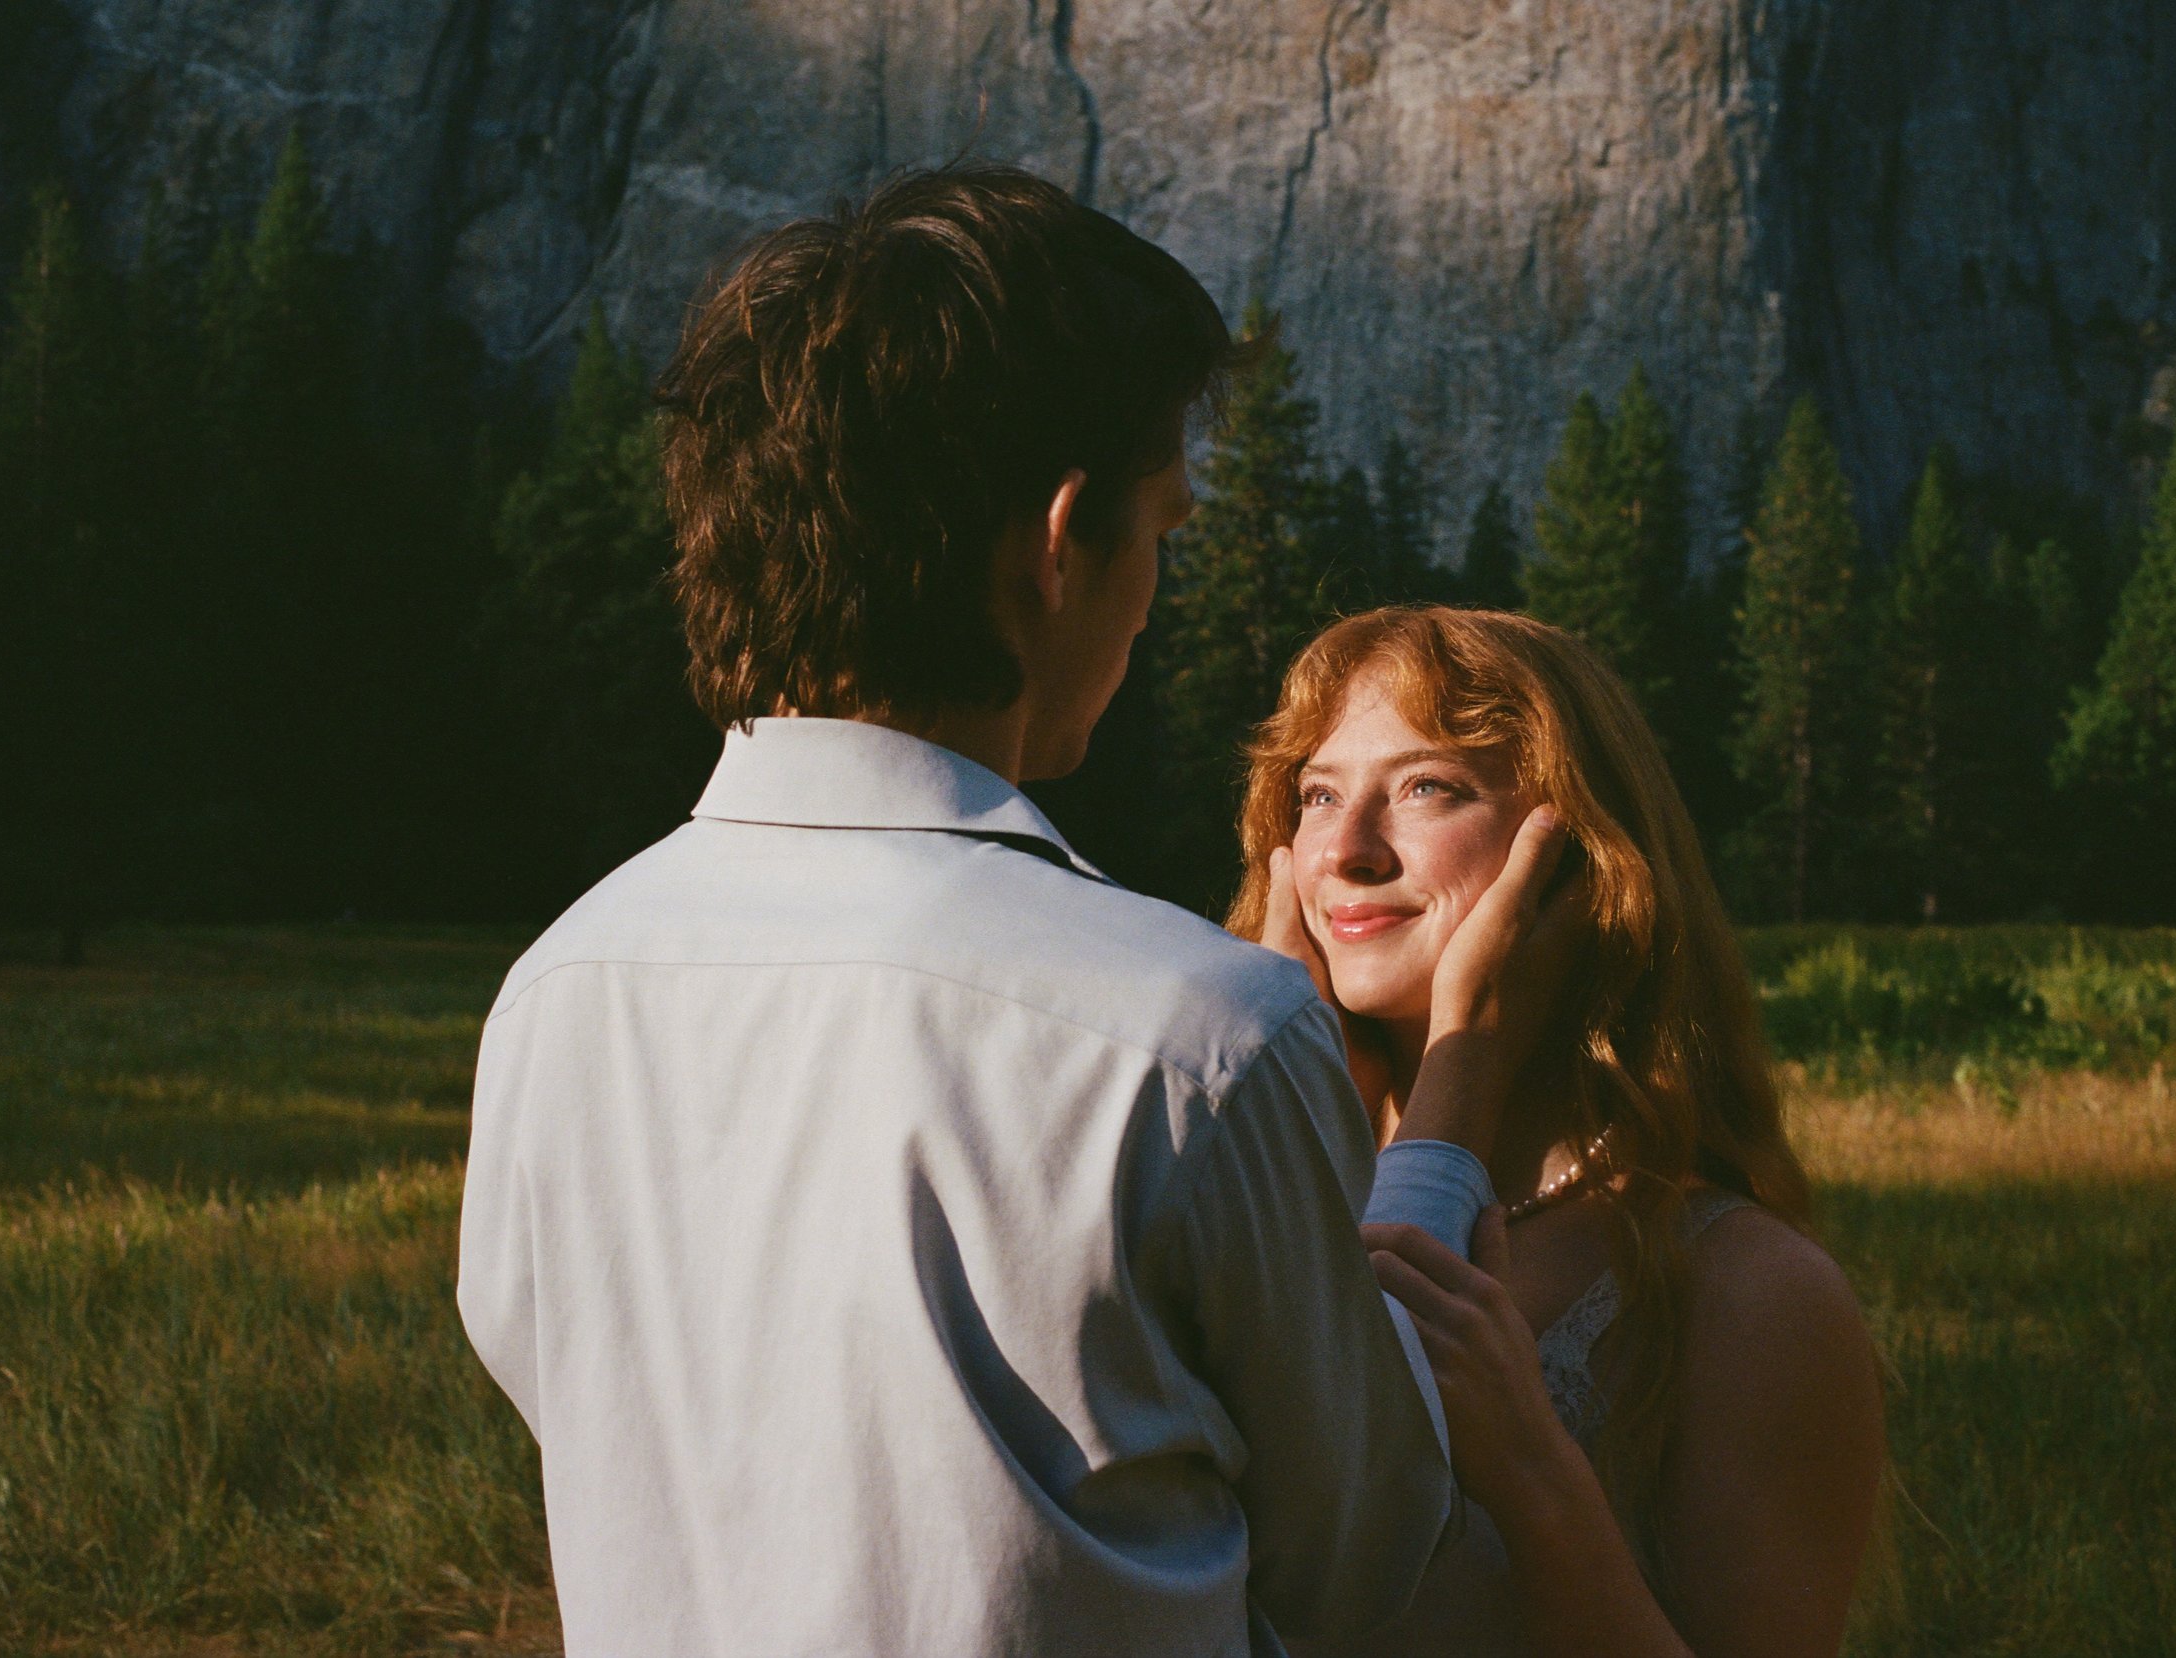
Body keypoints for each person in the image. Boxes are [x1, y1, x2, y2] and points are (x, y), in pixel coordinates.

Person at [454, 167, 1574, 1657]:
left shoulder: (554, 991)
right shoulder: (1196, 1042)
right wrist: (1457, 1085)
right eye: (1163, 530)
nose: (1151, 591)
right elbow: (1363, 1557)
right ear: (1058, 542)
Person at [1230, 605, 1886, 1658]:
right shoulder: (1236, 1185)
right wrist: (1281, 1098)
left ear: (1579, 856)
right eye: (1316, 795)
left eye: (1424, 787)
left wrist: (1534, 1476)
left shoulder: (1746, 1289)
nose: (1345, 850)